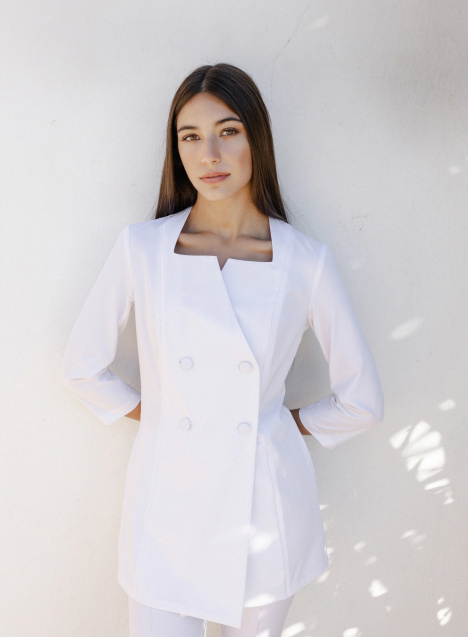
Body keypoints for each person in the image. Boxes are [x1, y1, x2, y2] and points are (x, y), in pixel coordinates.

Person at [61, 62, 384, 637]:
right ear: (176, 149)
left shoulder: (304, 261)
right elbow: (81, 367)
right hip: (167, 511)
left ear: (256, 137)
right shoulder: (143, 249)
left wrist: (272, 422)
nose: (208, 154)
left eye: (227, 131)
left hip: (263, 513)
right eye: (190, 136)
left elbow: (362, 402)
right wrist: (166, 413)